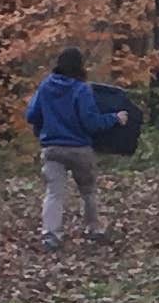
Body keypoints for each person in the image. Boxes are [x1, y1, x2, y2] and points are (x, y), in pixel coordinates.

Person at [27, 46, 108, 247]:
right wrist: (114, 119)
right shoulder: (82, 89)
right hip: (79, 148)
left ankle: (50, 235)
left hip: (52, 147)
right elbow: (91, 122)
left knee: (54, 192)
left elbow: (31, 115)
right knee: (88, 190)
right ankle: (93, 229)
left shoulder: (45, 86)